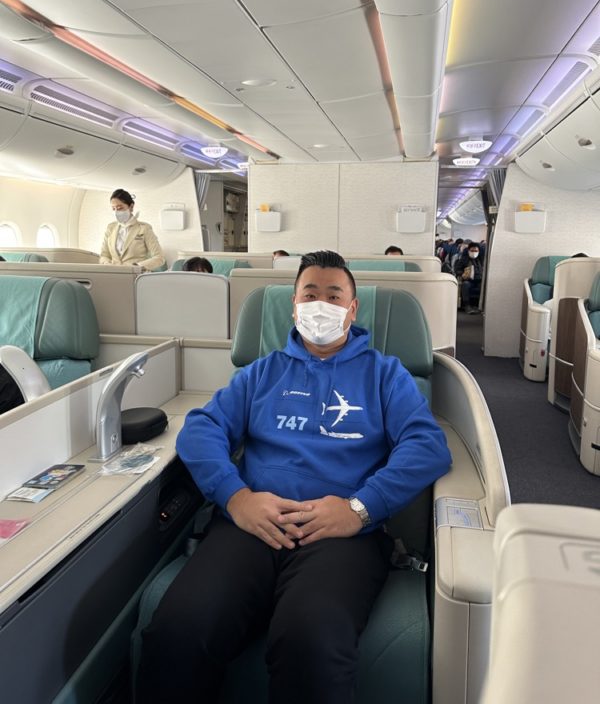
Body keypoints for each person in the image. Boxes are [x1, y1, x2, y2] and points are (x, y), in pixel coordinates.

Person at [137, 250, 451, 704]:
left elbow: (427, 446)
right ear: (295, 305)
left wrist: (359, 509)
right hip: (250, 526)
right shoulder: (261, 373)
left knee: (311, 640)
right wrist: (236, 498)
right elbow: (201, 429)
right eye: (310, 294)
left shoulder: (385, 375)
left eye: (333, 294)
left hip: (341, 537)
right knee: (179, 630)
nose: (320, 304)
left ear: (352, 308)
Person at [99, 189, 165, 271]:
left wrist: (137, 266)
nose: (116, 212)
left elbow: (159, 258)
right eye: (113, 209)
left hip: (136, 276)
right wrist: (107, 264)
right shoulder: (110, 228)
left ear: (131, 206)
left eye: (120, 208)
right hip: (114, 275)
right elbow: (104, 255)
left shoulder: (144, 228)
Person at [455, 242, 483, 313]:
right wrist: (463, 274)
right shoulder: (463, 260)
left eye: (476, 251)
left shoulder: (481, 260)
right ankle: (467, 305)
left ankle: (480, 305)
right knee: (466, 285)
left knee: (483, 286)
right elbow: (457, 270)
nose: (474, 252)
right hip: (469, 280)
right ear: (468, 251)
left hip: (479, 280)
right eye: (472, 251)